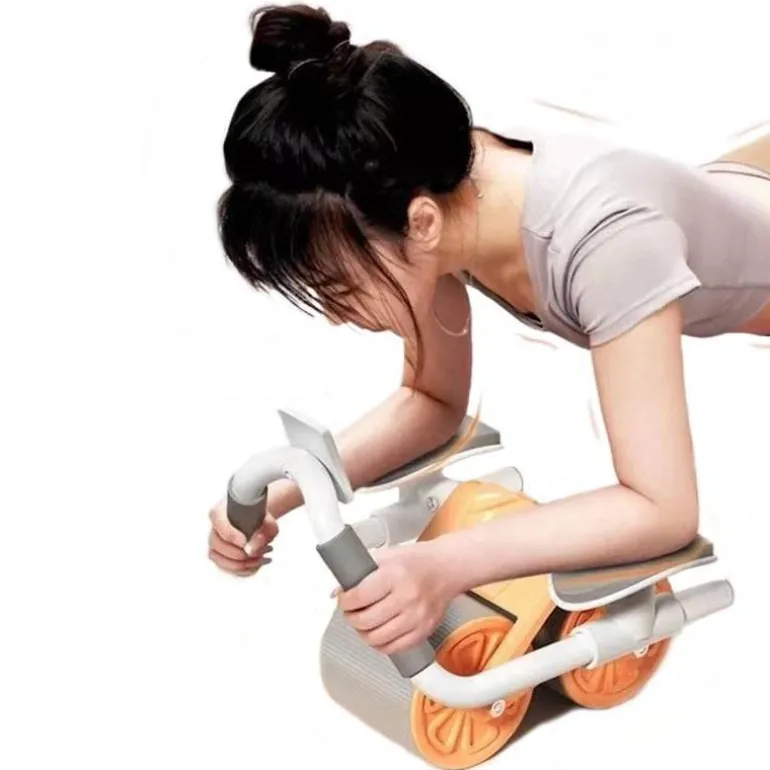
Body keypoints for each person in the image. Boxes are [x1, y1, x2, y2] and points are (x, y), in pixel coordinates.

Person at [207, 4, 770, 657]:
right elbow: (432, 399)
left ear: (421, 223)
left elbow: (660, 507)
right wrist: (280, 494)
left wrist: (444, 565)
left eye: (339, 287)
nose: (336, 316)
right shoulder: (432, 189)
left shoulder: (607, 245)